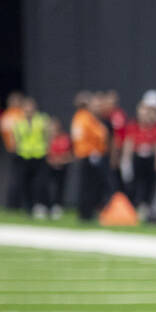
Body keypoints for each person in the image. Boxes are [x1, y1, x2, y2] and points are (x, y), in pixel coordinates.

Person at [71, 92, 110, 221]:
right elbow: (85, 137)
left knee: (92, 186)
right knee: (86, 186)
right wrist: (90, 151)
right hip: (87, 155)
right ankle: (85, 213)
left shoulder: (90, 118)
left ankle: (89, 211)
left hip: (92, 155)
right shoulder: (83, 117)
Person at [122, 101, 156, 214]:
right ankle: (133, 205)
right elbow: (129, 143)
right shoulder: (133, 125)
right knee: (134, 182)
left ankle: (146, 206)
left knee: (149, 183)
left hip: (149, 158)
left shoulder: (155, 127)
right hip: (137, 157)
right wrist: (126, 160)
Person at [11, 97, 51, 218]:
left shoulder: (42, 120)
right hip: (24, 156)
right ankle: (28, 208)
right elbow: (15, 138)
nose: (29, 110)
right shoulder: (19, 122)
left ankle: (42, 205)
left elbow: (47, 135)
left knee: (40, 183)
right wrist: (17, 149)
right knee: (24, 183)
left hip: (39, 155)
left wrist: (46, 148)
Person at [0, 92, 26, 210]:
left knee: (14, 178)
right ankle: (17, 204)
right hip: (20, 149)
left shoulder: (6, 115)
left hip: (11, 149)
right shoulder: (19, 115)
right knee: (20, 178)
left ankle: (12, 204)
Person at [44, 118, 72, 219]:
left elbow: (70, 154)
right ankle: (45, 206)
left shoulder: (65, 138)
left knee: (59, 187)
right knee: (46, 186)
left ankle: (57, 206)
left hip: (61, 166)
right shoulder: (48, 139)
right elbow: (46, 152)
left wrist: (60, 160)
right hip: (50, 165)